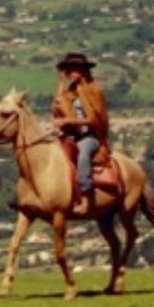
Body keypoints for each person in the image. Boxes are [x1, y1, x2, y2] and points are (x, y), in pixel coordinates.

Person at [51, 51, 109, 215]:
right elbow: (58, 105)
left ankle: (86, 198)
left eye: (74, 69)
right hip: (73, 135)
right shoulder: (70, 93)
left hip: (90, 135)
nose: (70, 74)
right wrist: (60, 83)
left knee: (83, 154)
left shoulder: (94, 91)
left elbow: (95, 120)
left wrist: (69, 121)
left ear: (83, 70)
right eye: (68, 71)